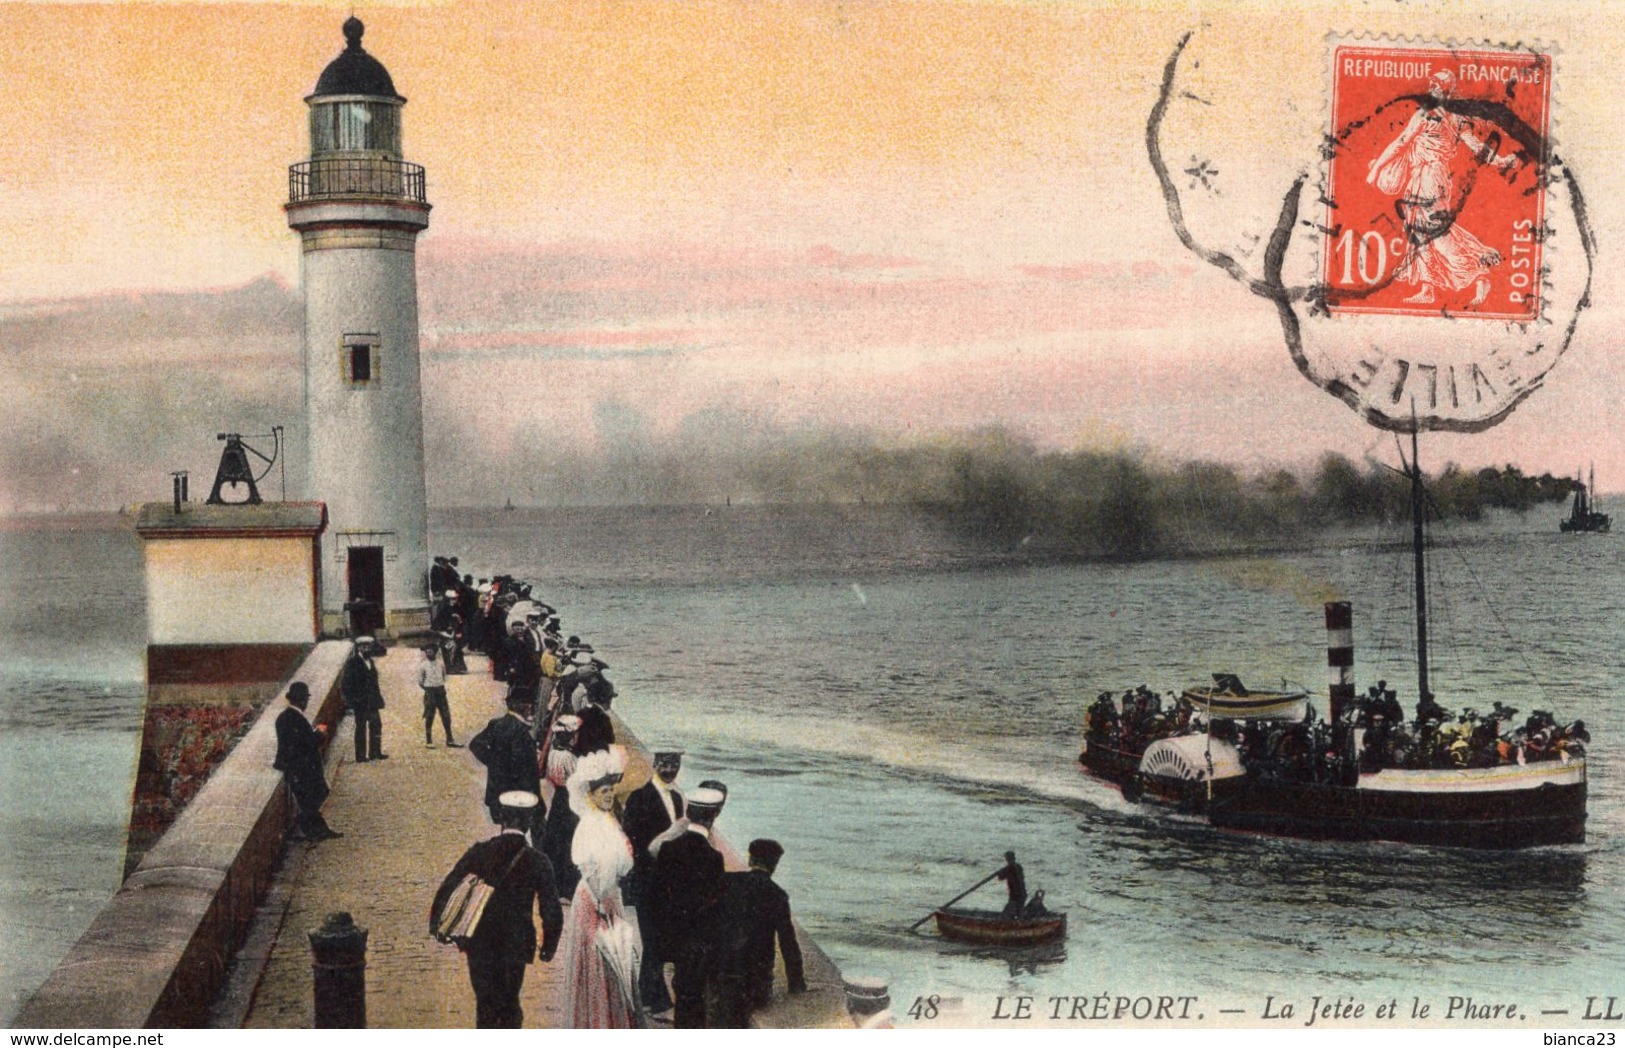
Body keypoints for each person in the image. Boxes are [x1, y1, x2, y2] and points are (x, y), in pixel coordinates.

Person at [1366, 68, 1521, 308]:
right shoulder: (1457, 118)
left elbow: (1401, 143)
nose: (1430, 87)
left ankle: (1478, 272)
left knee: (1436, 236)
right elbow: (1476, 146)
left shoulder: (1426, 115)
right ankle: (1428, 288)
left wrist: (1376, 169)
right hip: (1431, 178)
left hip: (1428, 178)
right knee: (1420, 234)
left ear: (1443, 90)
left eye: (1435, 84)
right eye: (1431, 83)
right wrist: (1499, 161)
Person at [430, 791, 563, 1029]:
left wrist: (436, 926)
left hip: (479, 941)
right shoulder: (538, 861)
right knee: (510, 1003)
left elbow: (449, 886)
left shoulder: (480, 851)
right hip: (515, 943)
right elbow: (551, 910)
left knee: (485, 1004)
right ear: (529, 820)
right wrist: (548, 947)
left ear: (501, 818)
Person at [558, 746, 642, 1028]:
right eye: (603, 791)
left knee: (614, 960)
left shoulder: (608, 820)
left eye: (610, 790)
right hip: (595, 900)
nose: (608, 795)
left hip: (610, 897)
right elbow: (593, 871)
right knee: (600, 959)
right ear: (590, 795)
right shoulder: (590, 825)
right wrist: (601, 904)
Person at [649, 783, 727, 1029]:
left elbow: (656, 896)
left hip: (674, 938)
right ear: (714, 815)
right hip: (698, 943)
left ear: (688, 812)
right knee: (695, 1004)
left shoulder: (669, 848)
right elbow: (714, 907)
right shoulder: (714, 858)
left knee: (682, 996)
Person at [709, 838, 807, 1027]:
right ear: (774, 865)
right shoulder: (777, 895)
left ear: (750, 859)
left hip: (721, 971)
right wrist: (796, 982)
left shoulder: (727, 882)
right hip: (754, 981)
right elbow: (788, 942)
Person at [622, 747, 686, 1015]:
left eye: (675, 765)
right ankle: (655, 1000)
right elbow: (633, 843)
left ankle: (649, 996)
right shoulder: (639, 798)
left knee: (656, 940)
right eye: (666, 764)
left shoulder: (677, 799)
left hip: (668, 883)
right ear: (655, 763)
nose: (670, 770)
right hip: (648, 881)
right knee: (653, 939)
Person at [469, 693, 544, 841]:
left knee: (508, 829)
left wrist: (494, 762)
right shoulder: (521, 733)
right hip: (520, 793)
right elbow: (524, 769)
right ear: (524, 707)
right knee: (534, 830)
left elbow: (476, 744)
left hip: (498, 790)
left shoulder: (496, 724)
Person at [273, 681, 341, 841]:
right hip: (300, 767)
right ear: (302, 700)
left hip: (298, 764)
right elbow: (305, 743)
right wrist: (320, 733)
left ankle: (316, 830)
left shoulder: (286, 717)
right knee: (316, 795)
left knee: (314, 797)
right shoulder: (293, 718)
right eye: (305, 700)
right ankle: (309, 826)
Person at [340, 636, 387, 762]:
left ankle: (375, 752)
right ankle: (360, 755)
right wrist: (352, 701)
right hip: (360, 702)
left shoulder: (370, 662)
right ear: (359, 647)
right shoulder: (352, 662)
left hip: (372, 701)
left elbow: (374, 682)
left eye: (368, 646)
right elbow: (346, 683)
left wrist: (378, 698)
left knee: (376, 725)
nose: (366, 648)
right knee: (361, 727)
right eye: (363, 646)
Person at [417, 643, 459, 748]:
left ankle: (450, 739)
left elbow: (444, 676)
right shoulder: (423, 665)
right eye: (426, 652)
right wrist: (428, 689)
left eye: (430, 651)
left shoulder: (440, 664)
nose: (428, 654)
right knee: (429, 715)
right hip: (430, 692)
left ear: (435, 652)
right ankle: (429, 740)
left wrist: (439, 685)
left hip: (441, 691)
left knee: (446, 715)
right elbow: (420, 681)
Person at [996, 851, 1026, 918]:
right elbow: (1001, 877)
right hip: (1021, 894)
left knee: (1006, 916)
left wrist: (1001, 872)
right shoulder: (1018, 867)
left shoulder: (1009, 869)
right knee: (1018, 913)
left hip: (1016, 895)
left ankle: (1019, 925)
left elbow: (1000, 878)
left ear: (1007, 859)